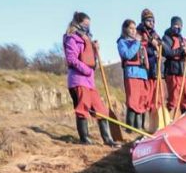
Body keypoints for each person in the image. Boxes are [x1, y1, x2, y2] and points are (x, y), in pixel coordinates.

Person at [62, 11, 117, 147]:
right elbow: (71, 59)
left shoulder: (89, 40)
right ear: (78, 24)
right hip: (78, 80)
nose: (87, 27)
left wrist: (96, 51)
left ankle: (108, 139)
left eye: (89, 25)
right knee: (83, 108)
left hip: (89, 82)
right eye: (85, 24)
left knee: (101, 109)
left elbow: (94, 62)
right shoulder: (72, 38)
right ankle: (84, 139)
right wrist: (86, 70)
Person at [117, 19, 151, 132]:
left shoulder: (139, 42)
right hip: (132, 73)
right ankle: (130, 129)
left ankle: (139, 128)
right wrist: (136, 42)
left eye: (134, 28)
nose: (133, 31)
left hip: (142, 74)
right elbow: (127, 54)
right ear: (125, 29)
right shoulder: (122, 42)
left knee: (141, 101)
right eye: (131, 28)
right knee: (133, 101)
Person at [162, 16, 186, 116]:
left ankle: (185, 120)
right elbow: (167, 52)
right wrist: (181, 50)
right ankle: (168, 119)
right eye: (175, 25)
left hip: (184, 72)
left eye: (179, 26)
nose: (177, 28)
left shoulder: (183, 40)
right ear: (171, 25)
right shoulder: (166, 38)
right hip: (173, 71)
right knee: (173, 98)